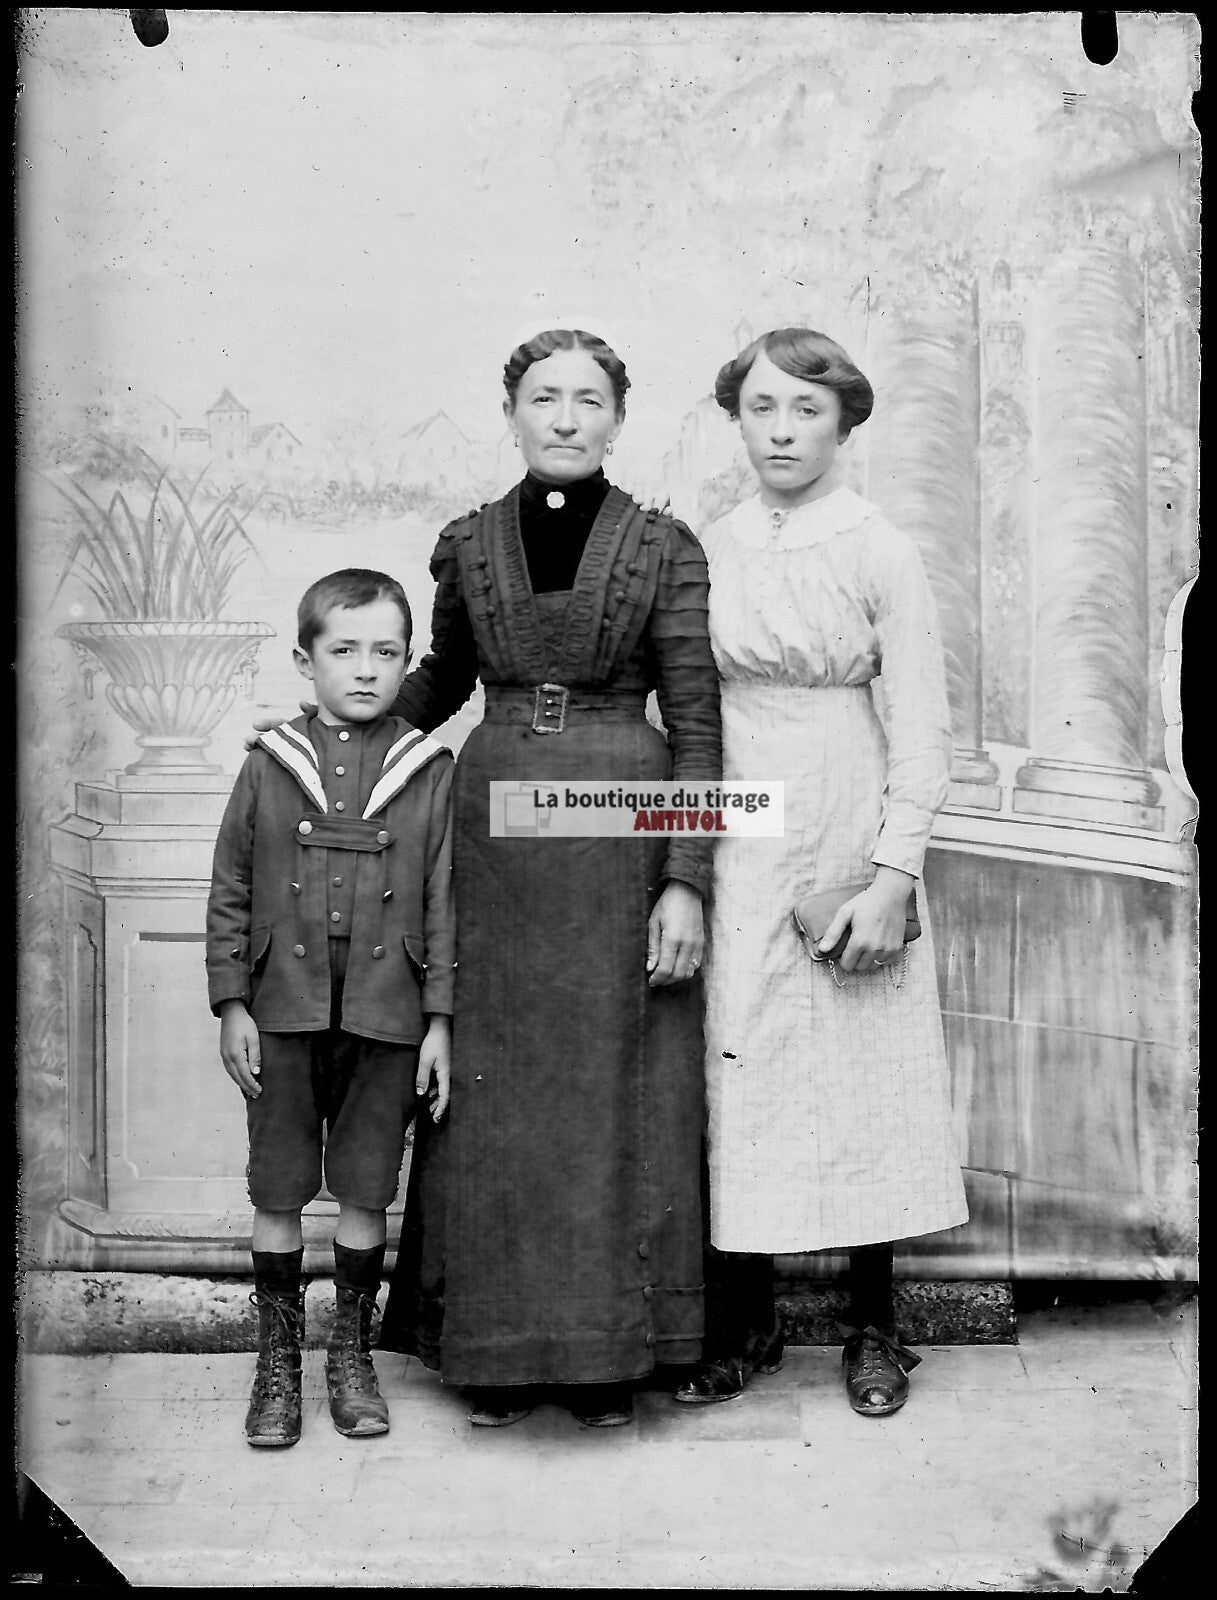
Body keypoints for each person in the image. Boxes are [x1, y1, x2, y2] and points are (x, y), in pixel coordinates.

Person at [377, 327, 722, 1428]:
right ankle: (492, 1354)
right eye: (543, 397)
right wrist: (334, 729)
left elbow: (699, 722)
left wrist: (685, 880)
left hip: (622, 833)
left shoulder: (665, 547)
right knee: (499, 1090)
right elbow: (440, 682)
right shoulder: (467, 544)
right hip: (493, 837)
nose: (565, 417)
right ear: (512, 413)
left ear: (618, 418)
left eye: (586, 399)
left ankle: (611, 1356)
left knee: (617, 1087)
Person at [675, 327, 969, 1417]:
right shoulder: (714, 541)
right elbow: (686, 699)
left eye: (804, 409)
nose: (781, 430)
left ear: (843, 422)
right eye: (760, 408)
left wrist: (891, 874)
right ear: (736, 421)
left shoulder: (877, 546)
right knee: (738, 1052)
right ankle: (743, 1324)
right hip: (739, 805)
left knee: (858, 1061)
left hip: (848, 794)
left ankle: (872, 1325)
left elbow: (924, 727)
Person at [207, 568, 456, 1448]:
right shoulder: (270, 763)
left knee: (362, 1184)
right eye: (342, 650)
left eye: (385, 652)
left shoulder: (427, 770)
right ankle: (276, 1363)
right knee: (276, 1184)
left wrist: (438, 1023)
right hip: (281, 1009)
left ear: (407, 662)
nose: (363, 670)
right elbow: (231, 886)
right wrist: (232, 1003)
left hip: (386, 1014)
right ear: (304, 660)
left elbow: (443, 897)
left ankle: (350, 1355)